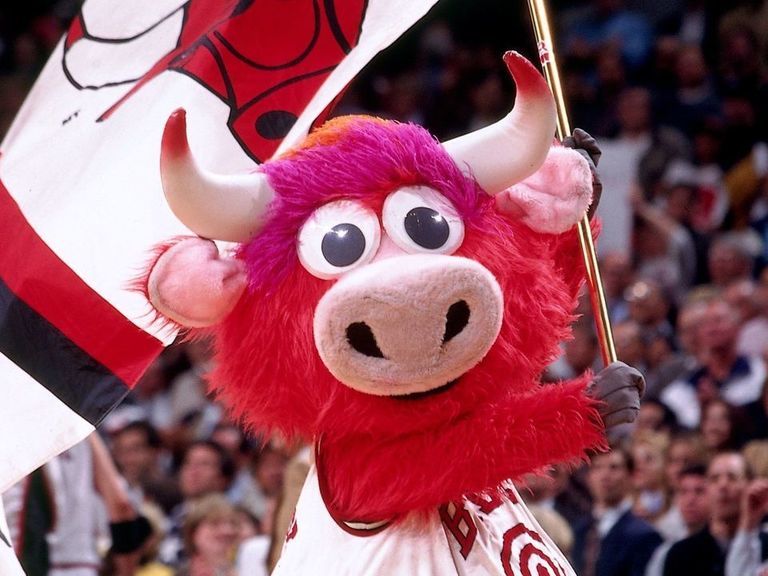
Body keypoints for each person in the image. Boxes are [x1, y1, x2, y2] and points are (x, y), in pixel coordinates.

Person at [572, 448, 662, 576]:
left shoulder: (644, 535)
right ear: (588, 477)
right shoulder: (578, 530)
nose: (605, 475)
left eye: (614, 468)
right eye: (597, 467)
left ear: (631, 476)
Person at [663, 451, 754, 575]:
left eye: (732, 477)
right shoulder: (682, 554)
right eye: (714, 479)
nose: (723, 485)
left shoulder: (764, 546)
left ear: (750, 485)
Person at [158, 440, 235, 568]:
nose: (193, 471)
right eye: (188, 463)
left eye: (204, 464)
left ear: (223, 479)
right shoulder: (174, 514)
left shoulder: (232, 518)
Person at [646, 464, 711, 576]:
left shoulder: (722, 547)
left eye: (699, 491)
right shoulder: (665, 553)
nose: (690, 500)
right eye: (683, 492)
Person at [178, 494, 240, 576]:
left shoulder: (252, 566)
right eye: (215, 523)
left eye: (233, 524)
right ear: (194, 533)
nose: (228, 530)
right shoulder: (179, 572)